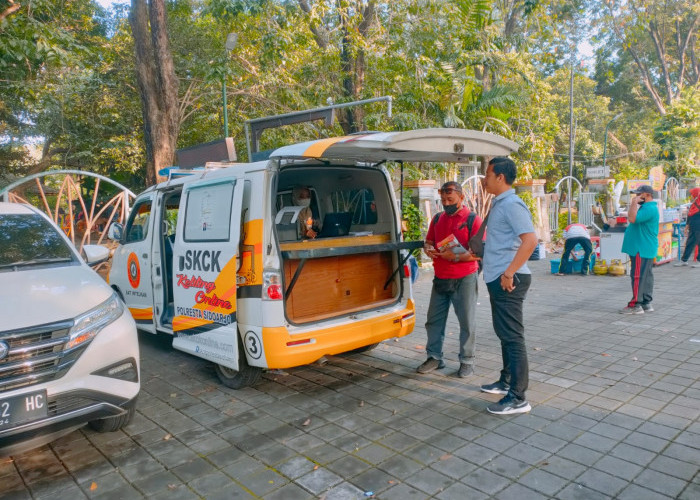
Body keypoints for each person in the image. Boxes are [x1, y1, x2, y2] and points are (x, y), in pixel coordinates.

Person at [478, 157, 537, 415]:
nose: (484, 179)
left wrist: (509, 272)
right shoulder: (500, 203)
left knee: (513, 337)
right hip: (499, 277)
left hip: (509, 279)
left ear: (500, 177)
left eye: (488, 174)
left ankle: (518, 397)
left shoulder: (512, 204)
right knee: (505, 334)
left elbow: (530, 240)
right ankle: (506, 382)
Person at [418, 181, 482, 378]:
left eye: (450, 199)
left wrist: (454, 257)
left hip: (465, 277)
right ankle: (434, 357)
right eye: (444, 199)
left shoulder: (473, 220)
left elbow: (479, 254)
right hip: (440, 277)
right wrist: (428, 250)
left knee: (466, 322)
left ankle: (467, 360)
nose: (446, 203)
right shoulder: (437, 219)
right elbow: (428, 242)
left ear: (461, 198)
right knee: (434, 320)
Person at [620, 184, 659, 314]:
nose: (636, 196)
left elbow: (632, 218)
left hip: (641, 247)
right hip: (644, 247)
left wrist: (633, 203)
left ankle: (635, 305)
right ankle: (646, 302)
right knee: (646, 275)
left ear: (646, 195)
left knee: (638, 276)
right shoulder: (647, 208)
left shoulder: (649, 208)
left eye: (639, 194)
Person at [674, 187, 700, 267]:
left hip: (699, 227)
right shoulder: (693, 204)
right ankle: (684, 260)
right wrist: (686, 226)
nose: (691, 196)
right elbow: (689, 216)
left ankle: (699, 261)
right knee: (689, 243)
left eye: (692, 194)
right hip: (693, 227)